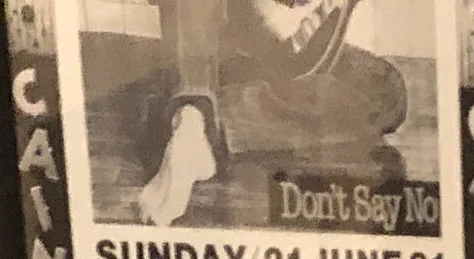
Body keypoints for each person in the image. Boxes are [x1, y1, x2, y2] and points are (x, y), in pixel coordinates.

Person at [131, 0, 408, 231]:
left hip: (282, 46)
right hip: (213, 41)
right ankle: (192, 113)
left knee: (386, 89)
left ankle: (203, 121)